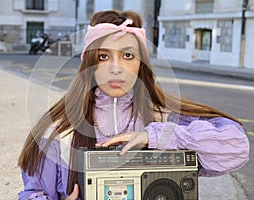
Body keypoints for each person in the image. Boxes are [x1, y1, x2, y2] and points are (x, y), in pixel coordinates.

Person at [18, 10, 249, 200]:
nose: (116, 68)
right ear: (89, 62)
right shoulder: (61, 132)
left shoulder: (163, 117)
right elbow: (33, 193)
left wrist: (154, 136)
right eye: (103, 56)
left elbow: (237, 148)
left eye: (128, 56)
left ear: (141, 64)